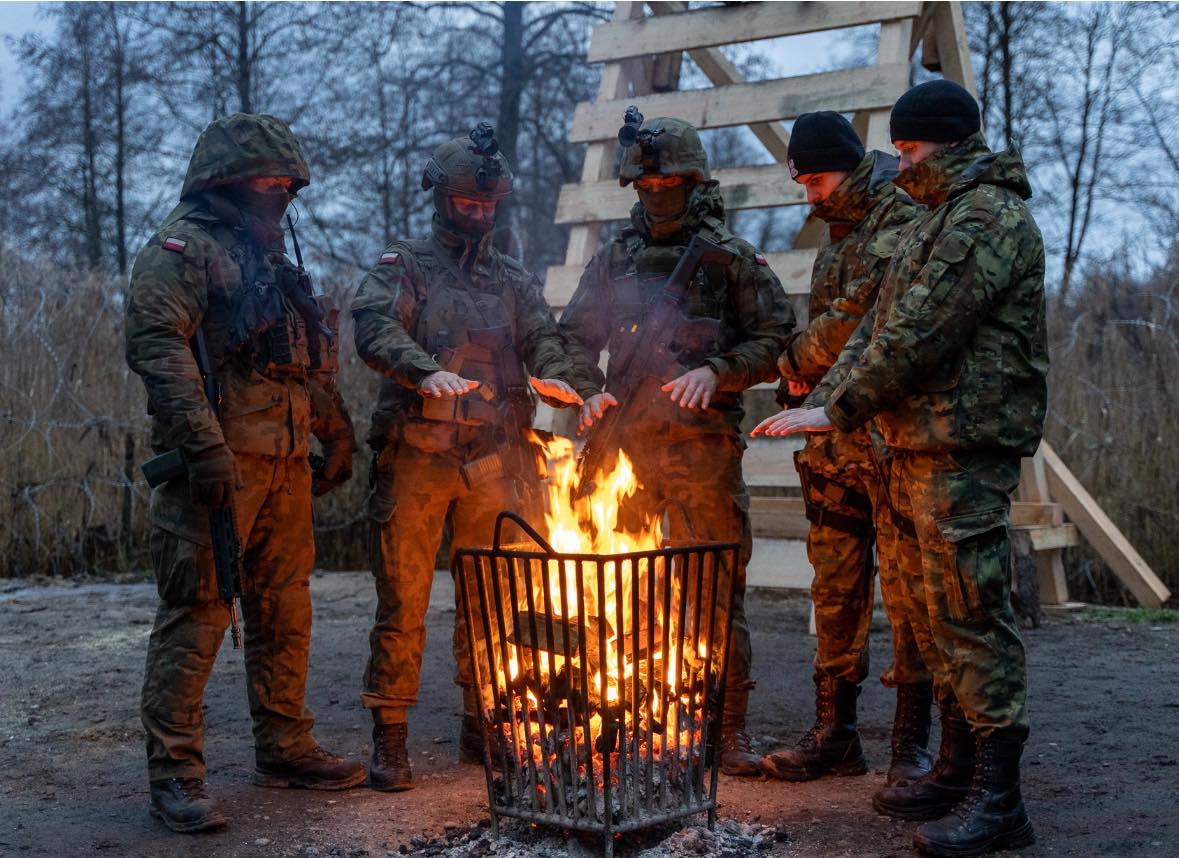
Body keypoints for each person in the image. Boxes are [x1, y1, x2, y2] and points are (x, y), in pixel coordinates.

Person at [756, 80, 1046, 857]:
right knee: (934, 612)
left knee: (969, 614)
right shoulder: (937, 218)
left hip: (963, 443)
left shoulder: (984, 218)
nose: (901, 161)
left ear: (945, 143)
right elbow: (874, 329)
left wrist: (834, 406)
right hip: (916, 442)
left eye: (912, 148)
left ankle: (998, 798)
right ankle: (954, 771)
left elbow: (920, 330)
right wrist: (829, 398)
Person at [126, 112, 365, 833]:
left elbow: (300, 361)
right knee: (197, 617)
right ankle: (175, 775)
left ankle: (285, 747)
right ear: (225, 181)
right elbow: (157, 344)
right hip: (219, 468)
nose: (277, 193)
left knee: (285, 611)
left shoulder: (273, 258)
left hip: (286, 466)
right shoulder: (182, 249)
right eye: (264, 181)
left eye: (284, 183)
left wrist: (336, 432)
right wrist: (203, 447)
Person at [560, 110, 795, 776]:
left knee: (715, 591)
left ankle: (725, 729)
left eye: (671, 179)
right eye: (647, 181)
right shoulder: (615, 259)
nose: (657, 190)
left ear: (694, 180)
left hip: (702, 453)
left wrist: (717, 370)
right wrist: (587, 388)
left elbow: (776, 338)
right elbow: (573, 336)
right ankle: (630, 712)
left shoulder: (730, 257)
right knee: (620, 586)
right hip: (622, 450)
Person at [351, 123, 582, 792]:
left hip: (493, 460)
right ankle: (389, 738)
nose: (479, 216)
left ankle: (485, 724)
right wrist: (422, 372)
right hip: (418, 459)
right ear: (441, 198)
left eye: (489, 207)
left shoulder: (511, 277)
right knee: (404, 603)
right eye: (468, 204)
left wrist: (554, 375)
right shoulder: (406, 266)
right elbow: (371, 324)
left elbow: (543, 337)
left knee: (495, 602)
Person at [753, 112, 933, 787]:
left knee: (909, 595)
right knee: (833, 590)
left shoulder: (899, 215)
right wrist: (798, 376)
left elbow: (863, 311)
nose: (810, 193)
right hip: (830, 451)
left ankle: (912, 742)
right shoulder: (837, 231)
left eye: (817, 179)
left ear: (849, 166)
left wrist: (795, 357)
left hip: (889, 442)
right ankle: (835, 734)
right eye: (801, 182)